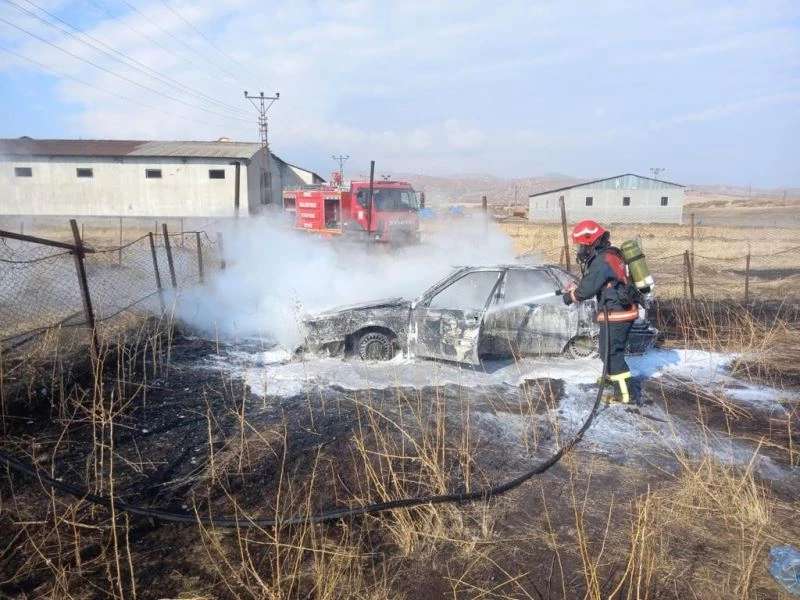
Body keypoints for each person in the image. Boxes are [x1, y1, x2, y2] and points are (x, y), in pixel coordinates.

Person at [561, 220, 639, 404]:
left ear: (592, 242)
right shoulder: (608, 256)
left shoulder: (602, 260)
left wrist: (570, 297)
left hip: (618, 313)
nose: (581, 250)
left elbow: (586, 290)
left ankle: (625, 395)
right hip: (615, 311)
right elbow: (599, 281)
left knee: (612, 353)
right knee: (606, 349)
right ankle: (612, 377)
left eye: (583, 245)